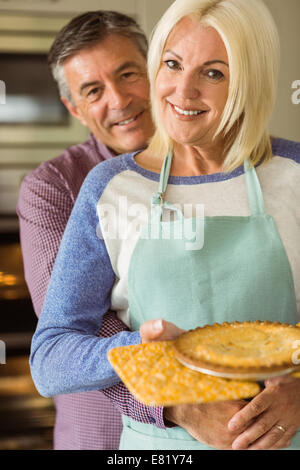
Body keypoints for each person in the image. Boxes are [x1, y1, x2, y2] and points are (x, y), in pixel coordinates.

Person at [29, 0, 300, 450]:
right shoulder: (111, 187)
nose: (182, 91)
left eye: (213, 73)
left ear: (249, 81)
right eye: (172, 65)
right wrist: (142, 353)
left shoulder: (294, 173)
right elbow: (51, 357)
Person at [17, 10, 160, 450]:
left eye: (128, 74)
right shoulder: (53, 187)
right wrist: (173, 405)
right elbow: (76, 329)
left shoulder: (219, 164)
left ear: (156, 70)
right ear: (74, 109)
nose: (118, 100)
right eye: (93, 90)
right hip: (105, 438)